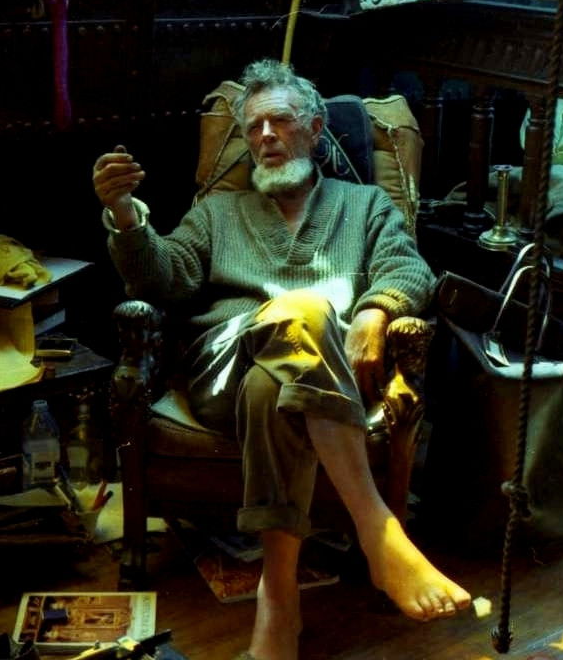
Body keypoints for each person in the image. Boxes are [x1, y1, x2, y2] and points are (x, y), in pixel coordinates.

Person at [92, 59, 471, 660]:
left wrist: (375, 311)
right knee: (305, 309)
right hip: (225, 368)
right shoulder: (217, 214)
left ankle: (277, 601)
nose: (265, 135)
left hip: (326, 380)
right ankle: (377, 529)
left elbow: (408, 269)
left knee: (275, 390)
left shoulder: (366, 205)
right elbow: (163, 278)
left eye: (281, 121)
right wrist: (123, 214)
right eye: (253, 127)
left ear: (315, 130)